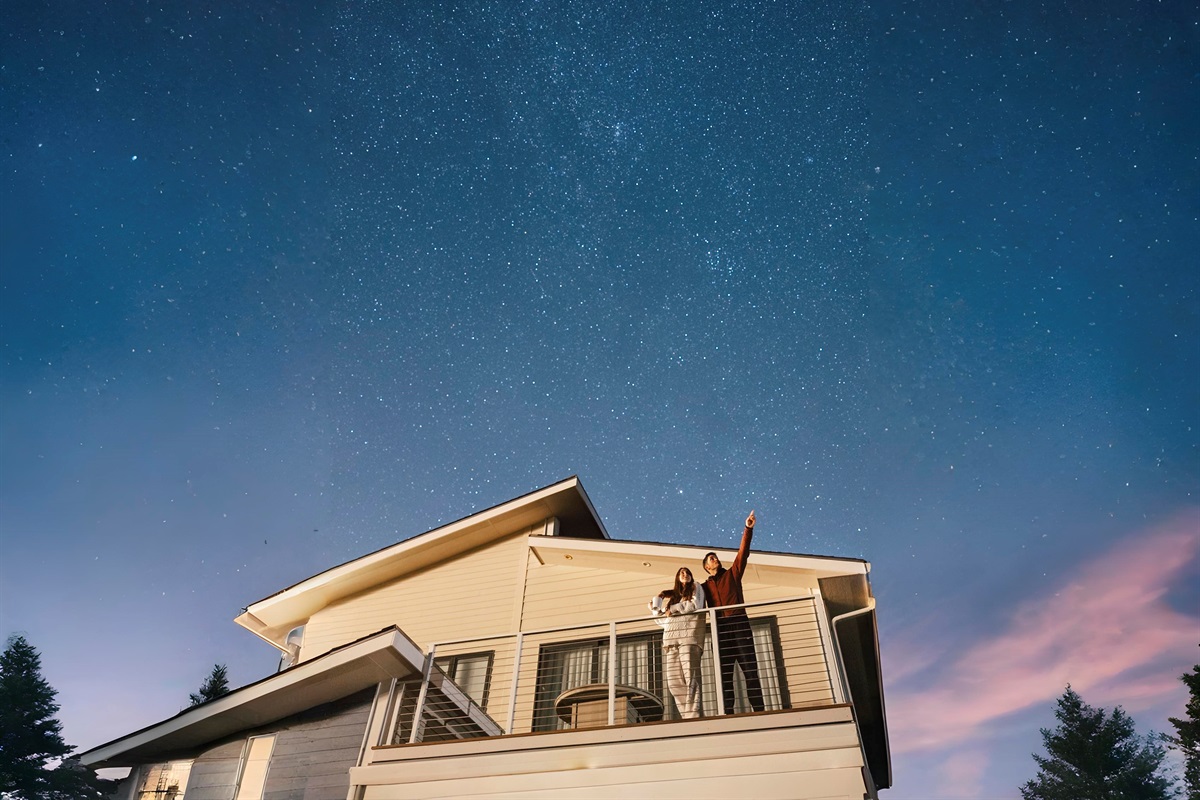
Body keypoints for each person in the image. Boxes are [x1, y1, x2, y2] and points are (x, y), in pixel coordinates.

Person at [702, 510, 765, 714]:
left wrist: (748, 529)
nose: (715, 559)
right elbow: (687, 596)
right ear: (706, 567)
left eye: (715, 557)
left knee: (750, 669)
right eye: (711, 559)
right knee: (724, 674)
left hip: (739, 623)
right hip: (720, 630)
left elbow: (743, 554)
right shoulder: (703, 587)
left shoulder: (732, 574)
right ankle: (728, 713)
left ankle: (759, 710)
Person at [649, 567, 706, 719]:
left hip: (688, 639)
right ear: (677, 577)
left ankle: (694, 716)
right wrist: (656, 609)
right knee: (674, 683)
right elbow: (665, 622)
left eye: (687, 572)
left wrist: (673, 609)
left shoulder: (696, 587)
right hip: (671, 642)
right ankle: (688, 716)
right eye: (681, 572)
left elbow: (695, 605)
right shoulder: (673, 599)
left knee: (691, 679)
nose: (685, 574)